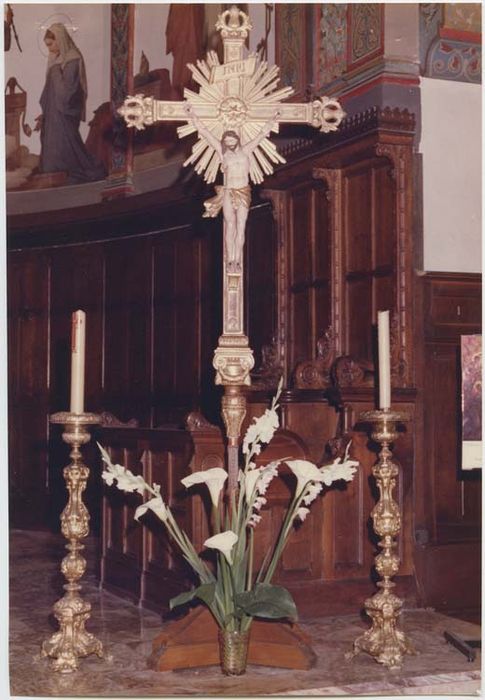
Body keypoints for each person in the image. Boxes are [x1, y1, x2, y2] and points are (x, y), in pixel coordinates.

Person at [184, 102, 279, 270]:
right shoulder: (222, 153)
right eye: (226, 140)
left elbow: (262, 135)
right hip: (228, 192)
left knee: (241, 224)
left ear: (237, 139)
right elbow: (205, 133)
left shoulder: (246, 150)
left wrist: (274, 118)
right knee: (230, 224)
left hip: (243, 191)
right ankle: (230, 259)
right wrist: (193, 116)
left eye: (232, 139)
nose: (229, 142)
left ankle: (237, 259)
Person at [35, 23, 105, 184]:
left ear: (60, 39)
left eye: (51, 44)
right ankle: (55, 176)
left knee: (68, 146)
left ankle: (73, 174)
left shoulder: (73, 58)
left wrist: (54, 72)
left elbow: (68, 92)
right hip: (54, 114)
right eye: (47, 45)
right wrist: (45, 113)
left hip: (66, 113)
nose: (50, 49)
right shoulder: (56, 59)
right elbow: (51, 93)